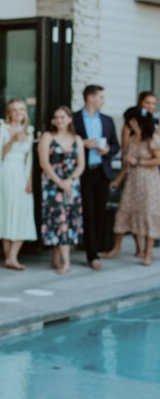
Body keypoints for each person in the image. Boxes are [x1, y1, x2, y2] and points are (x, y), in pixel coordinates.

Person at [103, 107, 160, 266]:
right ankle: (116, 248)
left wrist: (140, 162)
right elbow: (126, 165)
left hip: (149, 182)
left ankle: (148, 254)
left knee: (148, 214)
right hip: (132, 181)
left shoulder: (152, 138)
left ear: (133, 121)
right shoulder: (132, 139)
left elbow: (158, 160)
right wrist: (117, 180)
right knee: (124, 211)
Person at [0, 99, 37, 270]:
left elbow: (29, 159)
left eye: (21, 109)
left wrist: (29, 180)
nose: (18, 112)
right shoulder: (2, 128)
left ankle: (12, 256)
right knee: (5, 212)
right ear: (9, 113)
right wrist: (13, 140)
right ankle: (10, 258)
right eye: (14, 109)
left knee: (23, 213)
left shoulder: (29, 131)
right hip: (5, 174)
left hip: (21, 175)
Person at [72, 85, 120, 270]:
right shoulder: (74, 119)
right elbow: (67, 142)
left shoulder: (107, 120)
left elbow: (116, 146)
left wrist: (108, 150)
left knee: (99, 213)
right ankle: (92, 255)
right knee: (88, 213)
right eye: (101, 97)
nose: (103, 100)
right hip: (83, 172)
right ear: (90, 98)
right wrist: (82, 143)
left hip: (102, 171)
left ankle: (94, 248)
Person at [38, 106, 85, 274]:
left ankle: (56, 258)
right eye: (56, 117)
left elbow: (81, 164)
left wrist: (70, 181)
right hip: (52, 185)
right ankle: (66, 262)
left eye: (62, 117)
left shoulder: (77, 139)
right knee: (59, 220)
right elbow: (44, 162)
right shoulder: (48, 137)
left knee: (68, 220)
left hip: (71, 185)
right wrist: (59, 182)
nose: (59, 120)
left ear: (70, 119)